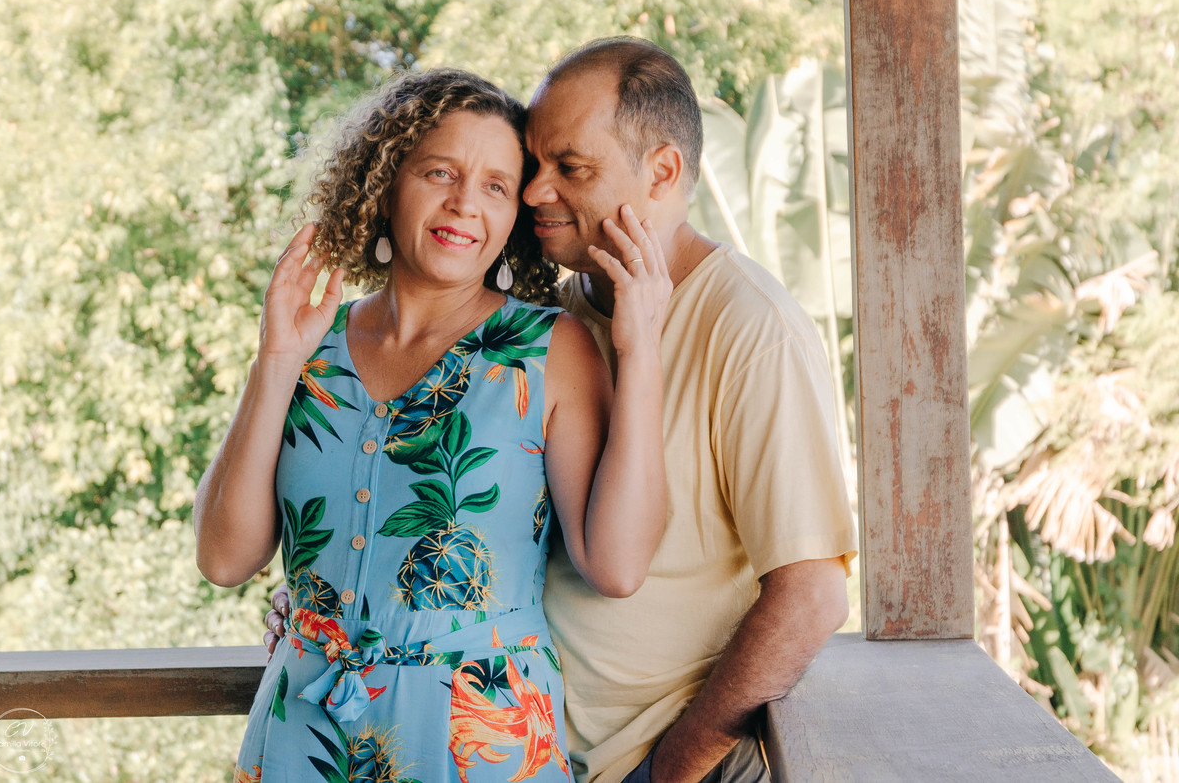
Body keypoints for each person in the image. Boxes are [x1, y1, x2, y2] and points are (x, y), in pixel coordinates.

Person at [267, 39, 859, 783]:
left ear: (662, 172)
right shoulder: (554, 316)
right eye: (534, 165)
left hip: (665, 759)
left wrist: (670, 770)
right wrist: (343, 595)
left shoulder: (750, 326)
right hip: (522, 748)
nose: (534, 192)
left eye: (570, 168)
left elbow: (811, 595)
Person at [196, 67, 672, 783]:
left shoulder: (549, 350)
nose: (465, 204)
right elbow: (224, 560)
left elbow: (617, 565)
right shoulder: (309, 344)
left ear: (515, 215)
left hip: (478, 746)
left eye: (496, 186)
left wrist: (639, 352)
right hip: (302, 735)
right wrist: (276, 361)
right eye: (440, 172)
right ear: (386, 181)